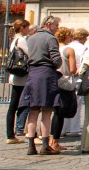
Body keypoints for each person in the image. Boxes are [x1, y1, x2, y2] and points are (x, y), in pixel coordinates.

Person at [18, 15, 62, 155]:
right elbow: (55, 59)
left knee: (33, 110)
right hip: (46, 74)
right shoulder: (50, 38)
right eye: (56, 25)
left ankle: (31, 145)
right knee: (47, 112)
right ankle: (45, 145)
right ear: (49, 24)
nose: (57, 28)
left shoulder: (31, 38)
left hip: (33, 74)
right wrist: (59, 63)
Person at [49, 27, 78, 153]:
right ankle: (54, 141)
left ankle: (51, 139)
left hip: (53, 81)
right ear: (67, 37)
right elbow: (72, 70)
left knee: (55, 111)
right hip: (65, 82)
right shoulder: (69, 50)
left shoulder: (53, 49)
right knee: (60, 113)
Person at [5, 19, 31, 144]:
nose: (28, 30)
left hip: (15, 77)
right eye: (27, 28)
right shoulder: (21, 40)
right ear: (22, 28)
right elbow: (30, 54)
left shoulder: (13, 40)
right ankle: (18, 132)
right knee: (23, 105)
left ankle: (11, 134)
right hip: (22, 77)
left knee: (13, 106)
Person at [62, 28, 89, 137]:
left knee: (64, 103)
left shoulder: (67, 47)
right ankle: (74, 128)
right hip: (77, 77)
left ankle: (64, 128)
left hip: (65, 76)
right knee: (76, 104)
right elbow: (85, 62)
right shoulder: (84, 48)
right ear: (83, 38)